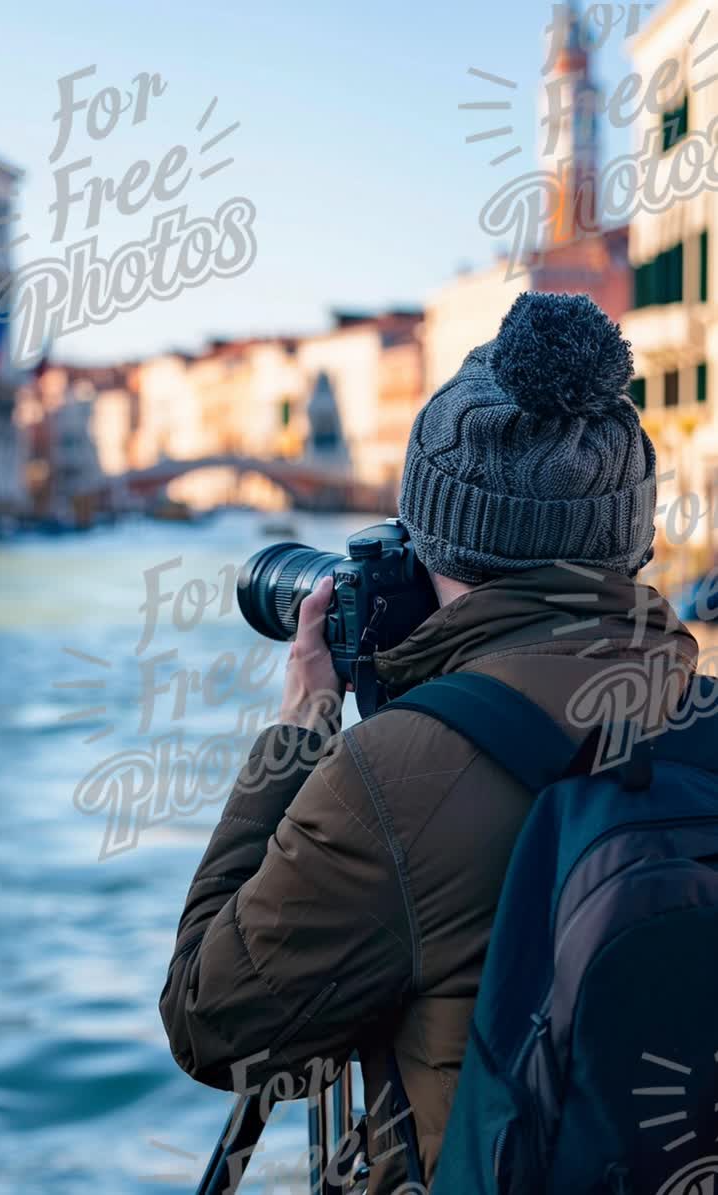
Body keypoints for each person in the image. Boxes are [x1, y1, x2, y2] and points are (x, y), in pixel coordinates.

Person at [159, 292, 698, 1191]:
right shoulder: (704, 718)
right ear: (629, 543)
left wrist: (300, 733)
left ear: (427, 541)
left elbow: (208, 1018)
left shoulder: (394, 775)